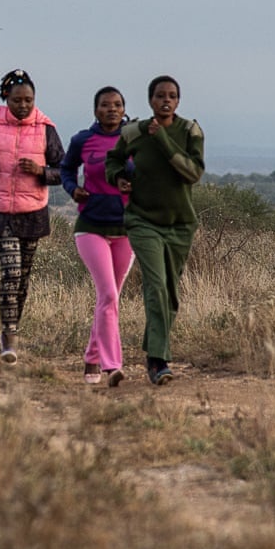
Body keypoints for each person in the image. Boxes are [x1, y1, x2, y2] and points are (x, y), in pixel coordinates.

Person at [104, 75, 204, 386]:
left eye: (172, 96)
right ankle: (158, 361)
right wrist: (118, 177)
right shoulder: (133, 132)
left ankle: (153, 351)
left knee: (171, 295)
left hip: (180, 224)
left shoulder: (189, 131)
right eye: (160, 95)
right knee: (156, 285)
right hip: (142, 220)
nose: (166, 100)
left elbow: (192, 173)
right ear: (150, 100)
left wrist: (161, 137)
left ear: (178, 101)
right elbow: (113, 161)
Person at [0, 68, 64, 363]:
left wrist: (41, 172)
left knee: (23, 278)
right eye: (17, 100)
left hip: (33, 212)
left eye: (28, 100)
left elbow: (63, 170)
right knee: (10, 272)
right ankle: (9, 335)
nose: (23, 106)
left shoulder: (46, 128)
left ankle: (13, 325)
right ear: (6, 98)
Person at [60, 87, 135, 385]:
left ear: (124, 109)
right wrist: (72, 189)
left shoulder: (134, 140)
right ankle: (111, 365)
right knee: (107, 295)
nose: (112, 110)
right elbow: (66, 169)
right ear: (96, 110)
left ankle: (92, 356)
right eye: (105, 105)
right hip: (91, 226)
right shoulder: (83, 140)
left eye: (117, 105)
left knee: (111, 299)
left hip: (127, 229)